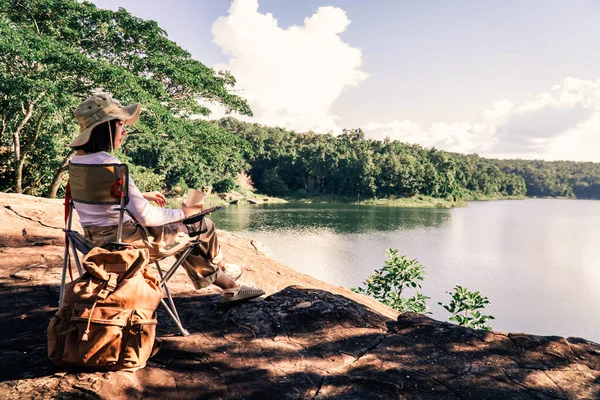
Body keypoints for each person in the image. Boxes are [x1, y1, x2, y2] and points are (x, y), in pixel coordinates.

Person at [69, 93, 264, 303]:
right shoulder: (112, 165)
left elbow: (95, 197)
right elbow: (146, 217)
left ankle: (226, 280)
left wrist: (142, 195)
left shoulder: (77, 161)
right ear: (106, 128)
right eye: (121, 125)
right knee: (199, 226)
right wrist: (184, 212)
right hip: (124, 244)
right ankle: (226, 277)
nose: (125, 131)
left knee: (184, 232)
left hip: (94, 240)